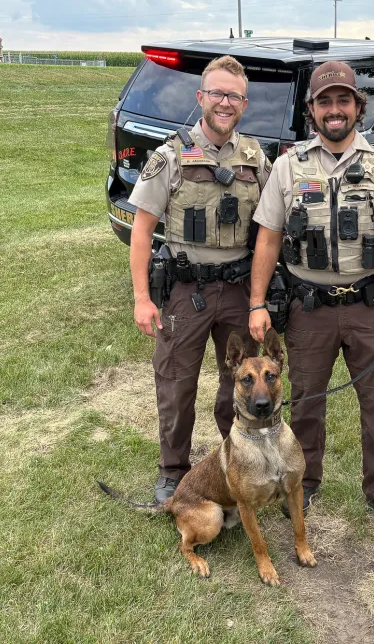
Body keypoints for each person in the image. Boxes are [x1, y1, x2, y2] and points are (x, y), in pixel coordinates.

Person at [247, 61, 374, 525]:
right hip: (309, 308)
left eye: (343, 100)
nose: (334, 110)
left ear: (357, 107)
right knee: (305, 401)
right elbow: (267, 237)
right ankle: (302, 483)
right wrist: (257, 302)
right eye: (324, 101)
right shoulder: (288, 167)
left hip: (370, 306)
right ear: (311, 109)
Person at [128, 55, 271, 504]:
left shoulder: (255, 157)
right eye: (217, 93)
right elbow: (142, 227)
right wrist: (140, 298)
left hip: (238, 289)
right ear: (201, 98)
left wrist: (260, 298)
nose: (225, 102)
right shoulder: (170, 155)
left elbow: (269, 227)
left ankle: (243, 461)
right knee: (176, 382)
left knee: (241, 381)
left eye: (234, 95)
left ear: (244, 103)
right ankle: (174, 470)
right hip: (186, 291)